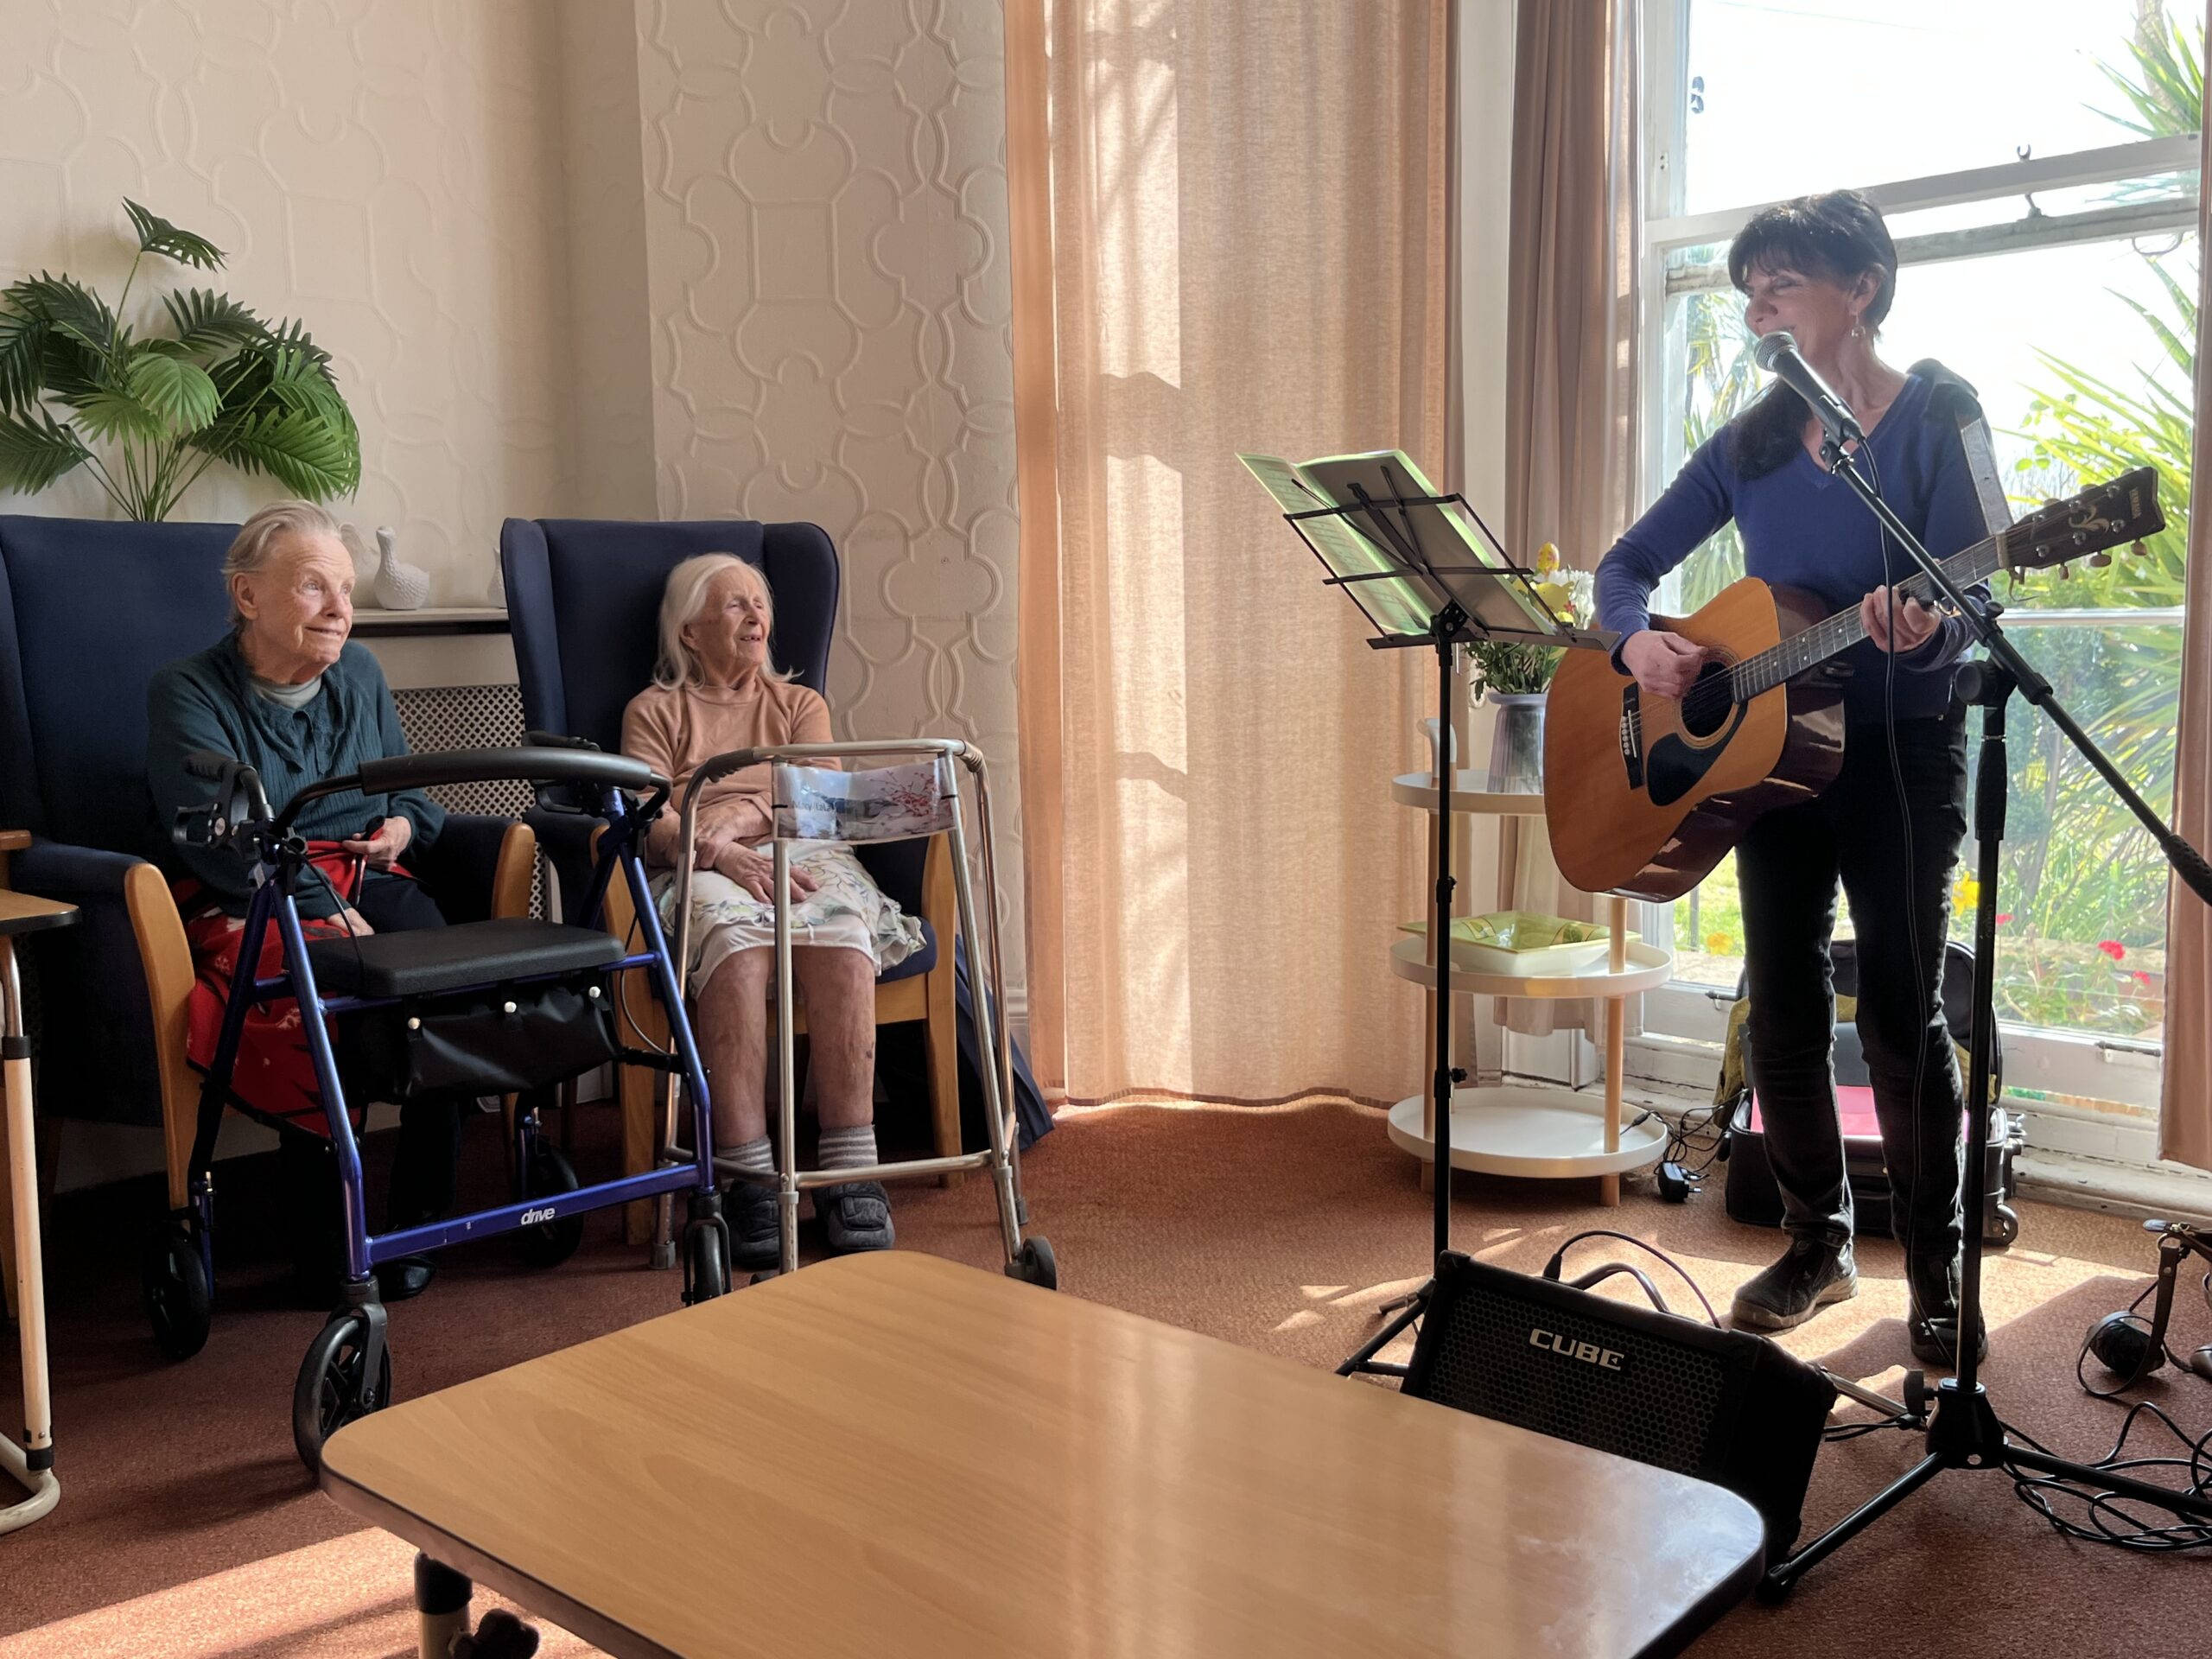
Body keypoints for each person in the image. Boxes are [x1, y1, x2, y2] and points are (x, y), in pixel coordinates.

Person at [1593, 190, 1990, 1367]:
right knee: (1782, 1005)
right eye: (1749, 287)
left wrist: (1928, 626)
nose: (1756, 304)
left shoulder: (1938, 412)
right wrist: (1636, 641)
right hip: (1775, 757)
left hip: (1904, 747)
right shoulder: (1754, 440)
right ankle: (1818, 1239)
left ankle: (1936, 1267)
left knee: (1909, 1023)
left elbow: (1980, 584)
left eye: (1781, 282)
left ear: (1860, 286)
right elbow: (1625, 566)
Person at [147, 499, 461, 1300]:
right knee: (318, 1001)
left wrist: (396, 827)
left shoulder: (360, 673)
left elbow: (410, 789)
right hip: (250, 888)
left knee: (452, 986)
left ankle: (424, 1219)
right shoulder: (187, 692)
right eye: (316, 587)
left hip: (368, 876)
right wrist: (318, 900)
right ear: (248, 596)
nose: (340, 609)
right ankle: (329, 1248)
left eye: (347, 591)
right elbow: (222, 837)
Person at [621, 554, 924, 1268]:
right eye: (734, 606)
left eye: (761, 604)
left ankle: (851, 1170)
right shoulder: (654, 711)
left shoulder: (799, 705)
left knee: (844, 938)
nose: (756, 617)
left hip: (802, 847)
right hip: (698, 861)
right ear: (690, 631)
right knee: (735, 946)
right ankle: (747, 1176)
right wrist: (718, 850)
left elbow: (822, 796)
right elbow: (643, 819)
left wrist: (751, 815)